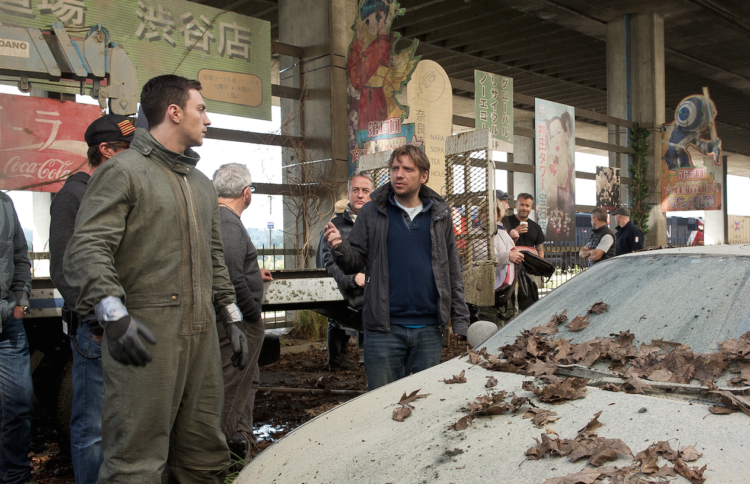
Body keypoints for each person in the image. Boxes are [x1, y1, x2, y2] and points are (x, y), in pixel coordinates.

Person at [63, 75, 247, 483]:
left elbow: (214, 256)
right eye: (201, 109)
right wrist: (113, 313)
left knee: (204, 456)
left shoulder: (200, 184)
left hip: (202, 338)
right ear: (174, 112)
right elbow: (88, 248)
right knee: (136, 463)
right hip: (147, 336)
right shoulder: (124, 171)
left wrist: (230, 314)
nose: (208, 119)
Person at [324, 144, 470, 391]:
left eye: (407, 169)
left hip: (429, 329)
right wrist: (341, 247)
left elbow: (452, 269)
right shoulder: (372, 211)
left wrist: (460, 320)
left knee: (423, 401)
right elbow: (355, 261)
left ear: (423, 176)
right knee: (381, 402)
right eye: (395, 168)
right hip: (384, 330)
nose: (399, 174)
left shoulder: (439, 214)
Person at [49, 115, 134, 484]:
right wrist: (99, 321)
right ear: (106, 151)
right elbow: (65, 270)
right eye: (128, 150)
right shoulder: (73, 197)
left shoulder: (114, 194)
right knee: (93, 427)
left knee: (123, 424)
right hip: (96, 332)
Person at [212, 163, 273, 461]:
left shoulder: (219, 219)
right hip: (238, 323)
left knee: (246, 381)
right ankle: (219, 456)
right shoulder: (229, 223)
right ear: (246, 193)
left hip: (233, 321)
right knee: (232, 389)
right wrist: (252, 314)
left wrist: (253, 274)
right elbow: (230, 276)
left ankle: (240, 442)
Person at [316, 170, 374, 371]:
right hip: (346, 286)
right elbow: (328, 263)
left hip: (371, 287)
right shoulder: (335, 225)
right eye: (355, 190)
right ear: (348, 194)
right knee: (336, 319)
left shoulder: (379, 223)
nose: (360, 195)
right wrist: (352, 279)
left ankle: (368, 358)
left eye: (365, 191)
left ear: (372, 195)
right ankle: (337, 362)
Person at [0, 195, 32, 484]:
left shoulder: (5, 203)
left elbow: (21, 256)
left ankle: (16, 478)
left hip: (8, 321)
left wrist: (20, 301)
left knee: (18, 405)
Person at [543, 112, 575, 238]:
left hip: (565, 230)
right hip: (550, 230)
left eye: (558, 132)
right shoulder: (549, 164)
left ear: (566, 135)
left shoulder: (571, 168)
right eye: (552, 136)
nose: (555, 140)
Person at [505, 193, 545, 257]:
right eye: (522, 205)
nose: (524, 208)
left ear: (531, 207)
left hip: (530, 262)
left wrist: (539, 263)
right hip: (510, 261)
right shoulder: (505, 221)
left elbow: (540, 251)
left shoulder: (536, 227)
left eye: (527, 206)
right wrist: (515, 232)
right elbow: (499, 244)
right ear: (516, 205)